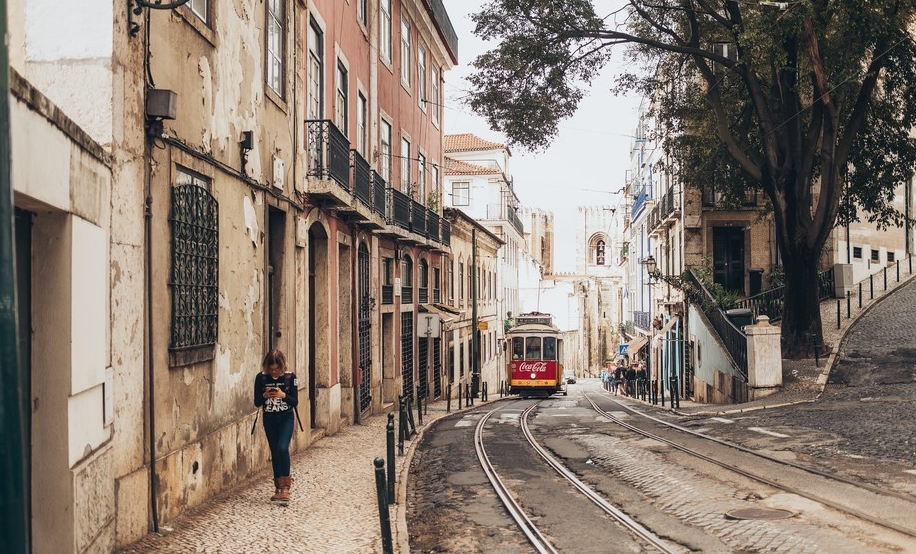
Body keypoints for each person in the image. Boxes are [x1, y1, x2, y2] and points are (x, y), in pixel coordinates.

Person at [254, 349, 299, 503]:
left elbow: (295, 401)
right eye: (270, 369)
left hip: (286, 418)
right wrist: (265, 395)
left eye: (277, 369)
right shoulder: (261, 378)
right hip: (269, 419)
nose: (274, 372)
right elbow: (256, 402)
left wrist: (283, 395)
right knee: (274, 451)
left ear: (282, 366)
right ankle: (278, 487)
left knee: (282, 448)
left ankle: (286, 487)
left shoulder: (290, 377)